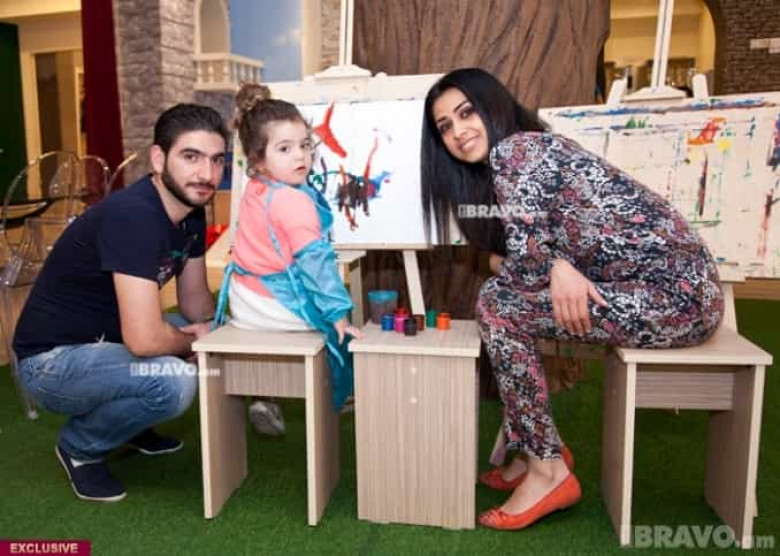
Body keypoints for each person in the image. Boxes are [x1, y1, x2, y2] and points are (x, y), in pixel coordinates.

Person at [420, 68, 723, 531]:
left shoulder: (517, 151)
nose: (458, 131)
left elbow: (523, 268)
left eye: (466, 113)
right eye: (445, 126)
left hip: (678, 298)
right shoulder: (520, 155)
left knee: (500, 307)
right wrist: (556, 266)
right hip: (654, 289)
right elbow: (523, 256)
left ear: (493, 105)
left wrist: (548, 266)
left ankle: (547, 469)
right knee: (499, 299)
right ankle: (538, 451)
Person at [13, 104, 228, 502]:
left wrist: (222, 331)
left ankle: (130, 422)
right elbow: (144, 341)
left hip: (106, 345)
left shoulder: (192, 212)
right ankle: (79, 447)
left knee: (210, 332)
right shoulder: (133, 217)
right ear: (159, 158)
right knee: (174, 380)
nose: (207, 173)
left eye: (217, 160)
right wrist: (194, 343)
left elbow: (196, 303)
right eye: (191, 156)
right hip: (51, 362)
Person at [213, 83, 361, 434]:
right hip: (274, 306)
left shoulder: (256, 187)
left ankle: (265, 394)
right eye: (285, 148)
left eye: (305, 145)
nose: (301, 157)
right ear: (257, 158)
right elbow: (316, 266)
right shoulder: (293, 201)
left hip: (244, 303)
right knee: (341, 328)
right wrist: (339, 316)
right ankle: (342, 391)